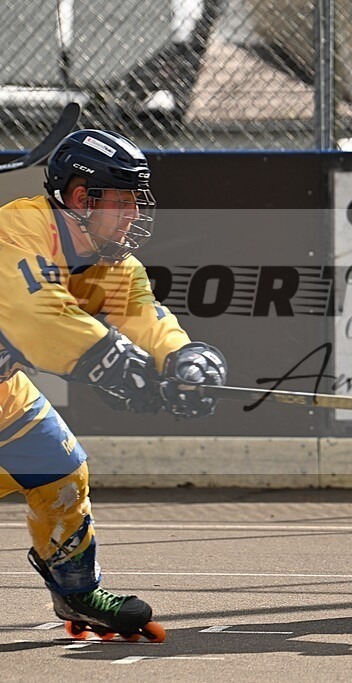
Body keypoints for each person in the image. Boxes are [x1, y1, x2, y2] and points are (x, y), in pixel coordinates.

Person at [0, 129, 227, 640]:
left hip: (2, 394)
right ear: (82, 198)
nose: (134, 215)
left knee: (60, 471)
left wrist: (181, 358)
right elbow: (34, 315)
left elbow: (145, 316)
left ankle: (77, 592)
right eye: (123, 202)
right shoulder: (20, 226)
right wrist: (109, 358)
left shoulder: (112, 261)